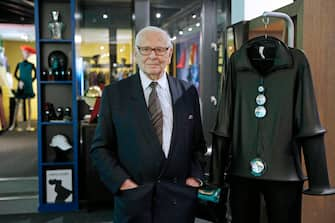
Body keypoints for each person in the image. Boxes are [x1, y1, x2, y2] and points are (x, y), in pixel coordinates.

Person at [90, 26, 206, 223]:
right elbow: (100, 148)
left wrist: (194, 179)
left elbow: (197, 145)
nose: (153, 56)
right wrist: (123, 183)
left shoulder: (188, 92)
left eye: (160, 49)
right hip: (134, 200)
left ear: (169, 54)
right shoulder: (114, 94)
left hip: (179, 200)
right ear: (136, 54)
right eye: (146, 49)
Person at [9, 45, 36, 131]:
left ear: (29, 54)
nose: (25, 54)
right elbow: (15, 74)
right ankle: (13, 124)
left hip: (28, 86)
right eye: (24, 52)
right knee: (17, 104)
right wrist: (19, 80)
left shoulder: (31, 65)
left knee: (28, 104)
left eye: (27, 53)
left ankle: (28, 125)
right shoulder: (19, 64)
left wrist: (31, 80)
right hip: (21, 85)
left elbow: (35, 75)